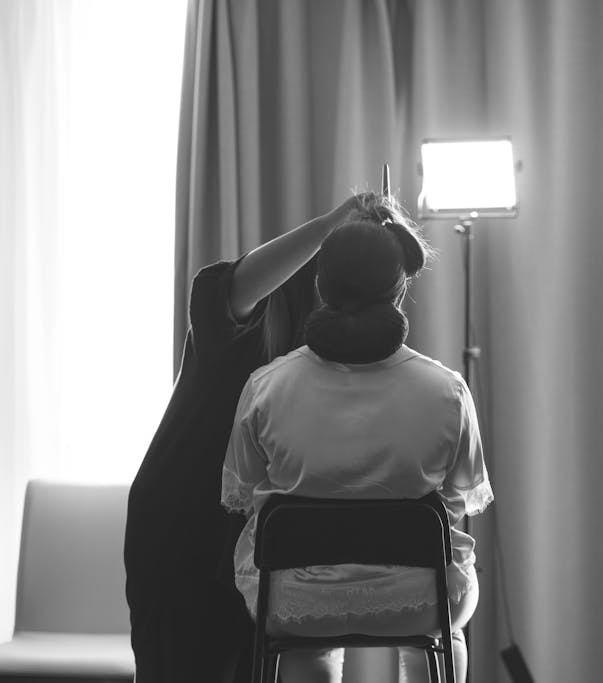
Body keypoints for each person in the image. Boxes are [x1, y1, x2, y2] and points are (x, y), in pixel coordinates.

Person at [221, 193, 492, 683]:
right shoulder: (446, 390)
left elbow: (243, 494)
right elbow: (459, 500)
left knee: (305, 627)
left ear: (320, 285)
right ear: (400, 287)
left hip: (293, 603)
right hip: (421, 601)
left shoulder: (267, 386)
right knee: (444, 624)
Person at [124, 193, 366, 683]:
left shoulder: (331, 368)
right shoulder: (230, 328)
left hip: (258, 552)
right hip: (181, 532)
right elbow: (227, 286)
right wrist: (331, 224)